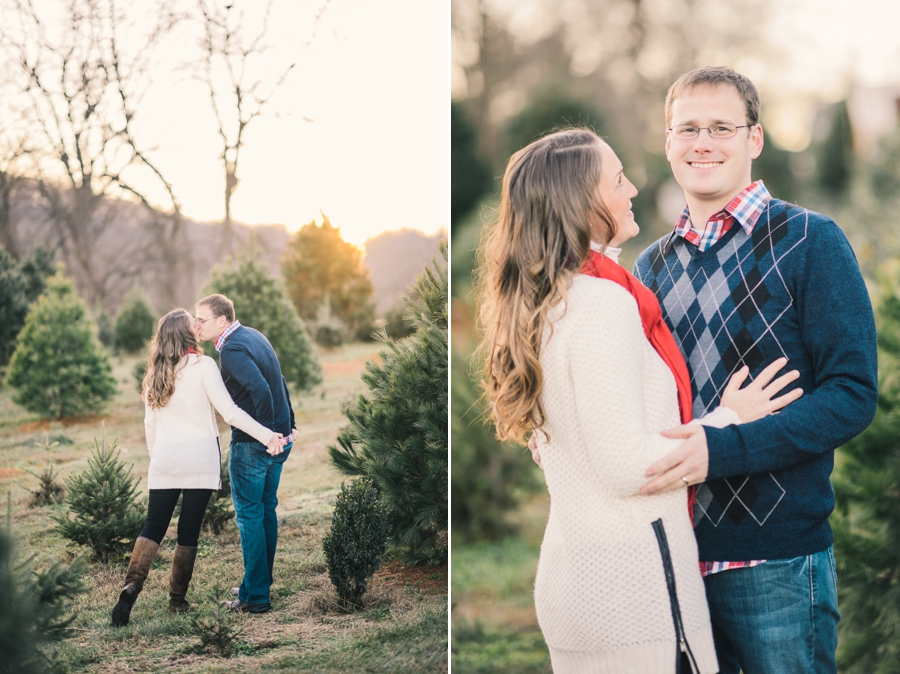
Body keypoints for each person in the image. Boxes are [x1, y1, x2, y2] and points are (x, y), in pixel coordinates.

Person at [478, 128, 800, 673]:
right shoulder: (602, 304)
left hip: (580, 579)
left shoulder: (546, 300)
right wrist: (729, 419)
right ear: (582, 203)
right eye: (618, 179)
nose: (632, 190)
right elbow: (630, 466)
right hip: (634, 595)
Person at [634, 66, 878, 674]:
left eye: (722, 127)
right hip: (673, 551)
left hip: (777, 566)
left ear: (755, 139)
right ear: (668, 142)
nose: (703, 143)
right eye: (687, 129)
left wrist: (727, 448)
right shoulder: (650, 267)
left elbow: (852, 394)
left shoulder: (811, 242)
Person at [112, 309, 284, 627]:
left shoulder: (154, 374)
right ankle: (176, 602)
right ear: (187, 335)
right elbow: (230, 413)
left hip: (164, 462)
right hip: (200, 463)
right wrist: (266, 433)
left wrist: (159, 460)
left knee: (153, 527)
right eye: (193, 324)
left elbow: (150, 425)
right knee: (188, 531)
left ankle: (130, 588)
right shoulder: (204, 366)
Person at [193, 293, 296, 614]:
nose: (196, 325)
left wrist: (266, 435)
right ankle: (257, 584)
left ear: (221, 321)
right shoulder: (252, 335)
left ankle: (254, 598)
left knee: (250, 515)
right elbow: (279, 380)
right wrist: (287, 425)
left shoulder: (232, 351)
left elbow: (264, 389)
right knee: (265, 510)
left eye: (202, 320)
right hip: (282, 439)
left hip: (255, 446)